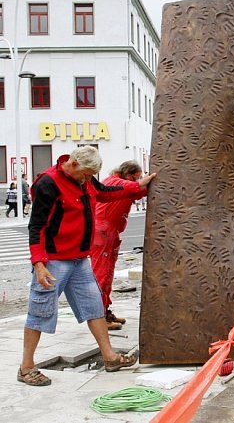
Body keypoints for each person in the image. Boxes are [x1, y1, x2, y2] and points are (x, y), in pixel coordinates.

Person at [19, 146, 156, 386]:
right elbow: (36, 227)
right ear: (72, 164)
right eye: (85, 174)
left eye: (91, 175)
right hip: (54, 260)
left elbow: (107, 192)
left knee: (94, 307)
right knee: (41, 311)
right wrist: (39, 265)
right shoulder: (48, 184)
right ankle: (26, 367)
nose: (88, 179)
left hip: (79, 259)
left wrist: (138, 185)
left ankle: (110, 357)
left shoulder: (86, 179)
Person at [91, 161, 150, 331]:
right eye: (135, 177)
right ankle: (99, 316)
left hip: (109, 232)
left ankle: (104, 311)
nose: (136, 181)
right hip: (102, 232)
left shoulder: (123, 183)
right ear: (126, 173)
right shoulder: (115, 182)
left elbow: (139, 191)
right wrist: (147, 179)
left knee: (107, 274)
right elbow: (134, 187)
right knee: (101, 274)